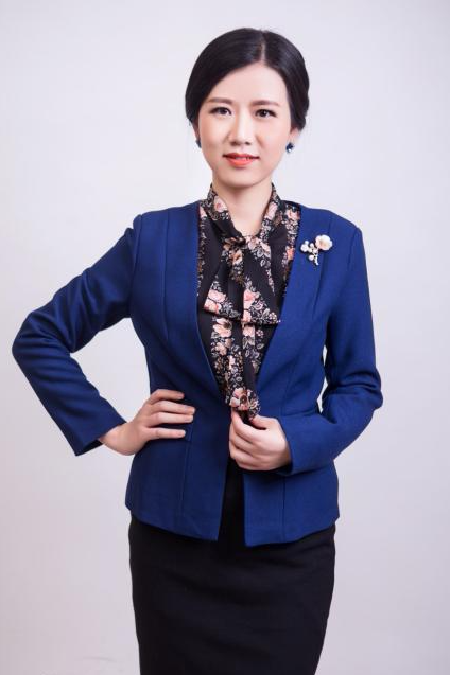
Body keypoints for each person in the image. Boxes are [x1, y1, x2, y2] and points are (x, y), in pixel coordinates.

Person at [11, 27, 383, 675]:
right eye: (221, 109)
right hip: (175, 537)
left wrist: (296, 442)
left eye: (264, 112)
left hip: (291, 540)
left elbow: (359, 385)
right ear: (195, 123)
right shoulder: (152, 240)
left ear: (293, 127)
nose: (242, 132)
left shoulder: (337, 244)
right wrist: (111, 429)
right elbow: (40, 335)